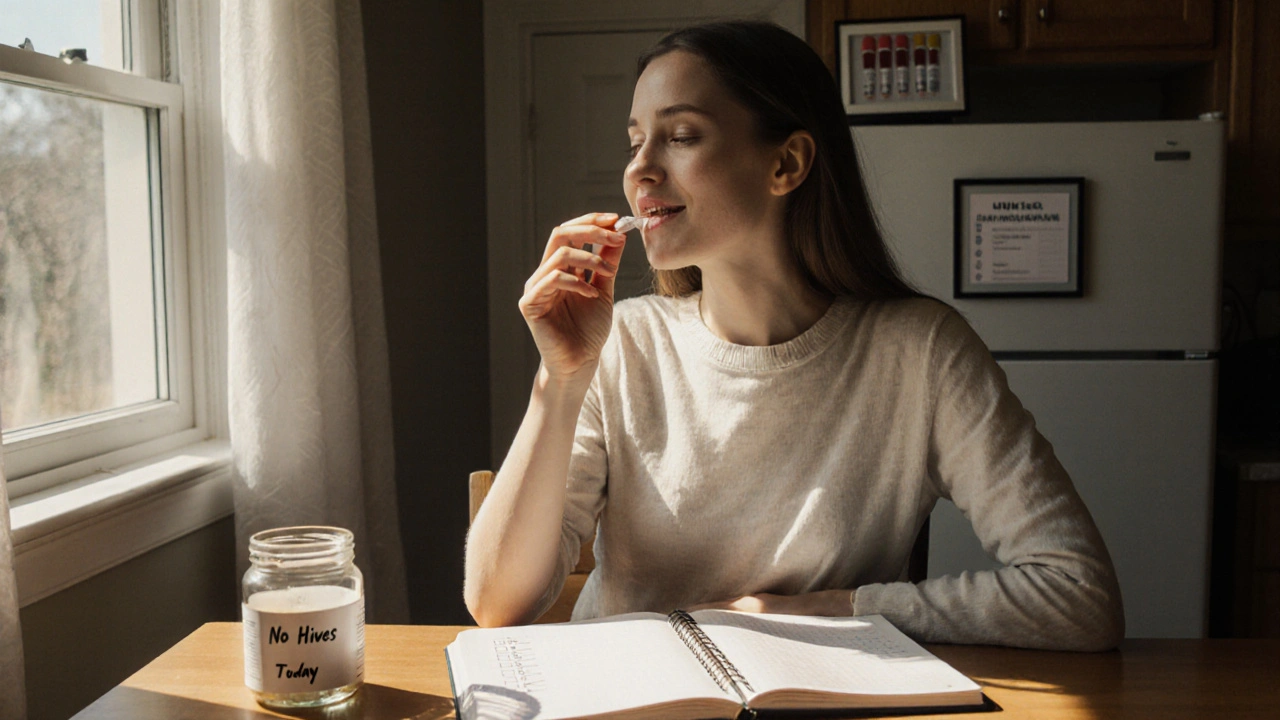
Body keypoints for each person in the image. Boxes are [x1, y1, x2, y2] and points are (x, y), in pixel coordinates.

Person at [464, 20, 1124, 651]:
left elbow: (1080, 595)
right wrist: (561, 378)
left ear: (787, 163)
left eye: (682, 135)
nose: (639, 169)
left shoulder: (922, 353)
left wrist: (834, 610)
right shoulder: (624, 344)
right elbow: (495, 603)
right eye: (635, 140)